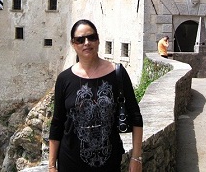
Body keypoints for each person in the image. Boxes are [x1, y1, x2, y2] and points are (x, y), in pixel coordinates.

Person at [48, 19, 144, 172]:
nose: (86, 43)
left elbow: (135, 116)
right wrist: (52, 165)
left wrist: (136, 157)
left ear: (98, 40)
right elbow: (57, 123)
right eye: (80, 40)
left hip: (109, 162)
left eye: (91, 37)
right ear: (73, 44)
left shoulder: (117, 73)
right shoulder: (64, 79)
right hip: (70, 163)